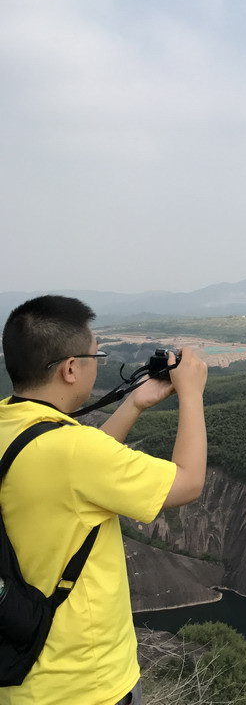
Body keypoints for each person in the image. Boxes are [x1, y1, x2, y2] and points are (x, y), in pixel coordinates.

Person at [0, 295, 208, 705]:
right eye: (96, 353)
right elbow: (188, 484)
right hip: (85, 684)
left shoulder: (11, 423)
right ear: (71, 368)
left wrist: (133, 403)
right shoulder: (75, 452)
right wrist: (192, 393)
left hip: (21, 678)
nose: (98, 361)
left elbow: (68, 473)